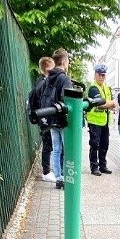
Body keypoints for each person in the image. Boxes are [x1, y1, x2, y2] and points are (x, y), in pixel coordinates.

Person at [44, 49, 72, 190]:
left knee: (56, 150)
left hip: (51, 119)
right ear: (65, 61)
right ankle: (67, 178)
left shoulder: (49, 77)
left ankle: (58, 178)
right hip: (63, 120)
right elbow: (67, 100)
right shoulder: (64, 78)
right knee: (67, 150)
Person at [28, 56, 55, 181]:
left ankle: (47, 170)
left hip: (44, 117)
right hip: (44, 118)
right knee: (47, 143)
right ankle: (46, 171)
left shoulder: (41, 81)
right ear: (47, 68)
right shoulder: (43, 82)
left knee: (48, 143)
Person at [85, 64, 116, 175]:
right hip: (94, 122)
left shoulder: (107, 88)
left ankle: (103, 166)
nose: (101, 77)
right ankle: (94, 167)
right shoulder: (93, 88)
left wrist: (110, 103)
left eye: (103, 75)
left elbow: (112, 103)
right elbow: (100, 104)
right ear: (95, 75)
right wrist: (110, 103)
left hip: (105, 122)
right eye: (99, 74)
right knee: (94, 145)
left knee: (104, 145)